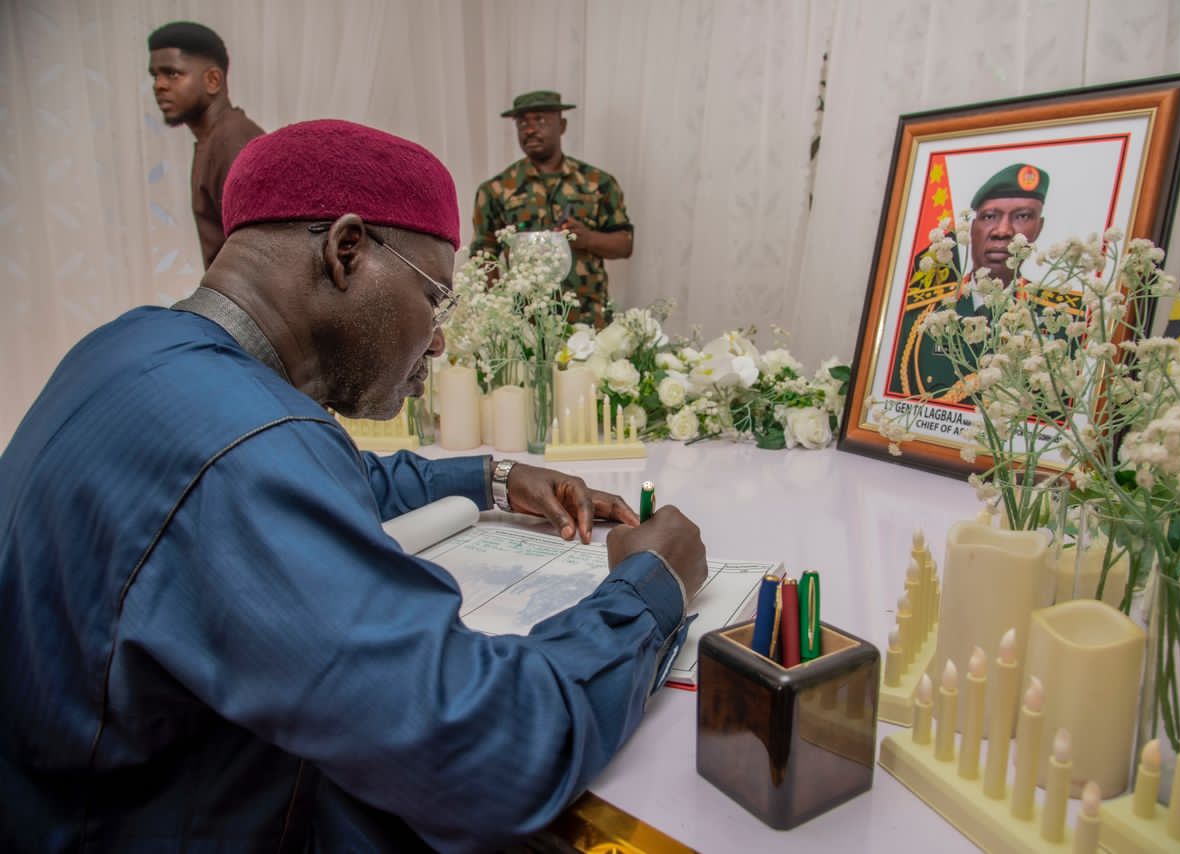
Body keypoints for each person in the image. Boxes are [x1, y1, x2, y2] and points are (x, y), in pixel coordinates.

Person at [0, 120, 707, 853]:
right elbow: (492, 746)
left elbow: (320, 473)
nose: (439, 338)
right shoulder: (249, 451)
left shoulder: (133, 348)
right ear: (346, 251)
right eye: (437, 298)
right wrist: (648, 590)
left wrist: (494, 477)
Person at [889, 162, 1075, 402]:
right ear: (972, 228)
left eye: (1022, 216)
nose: (1002, 231)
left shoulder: (1065, 320)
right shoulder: (916, 313)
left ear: (1038, 228)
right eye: (989, 216)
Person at [471, 90, 633, 328]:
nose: (530, 129)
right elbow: (483, 255)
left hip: (588, 322)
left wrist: (588, 238)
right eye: (522, 123)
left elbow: (624, 244)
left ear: (562, 125)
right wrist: (497, 312)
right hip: (526, 324)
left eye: (540, 120)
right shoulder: (495, 190)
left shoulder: (598, 183)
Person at [148, 21, 265, 269]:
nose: (159, 85)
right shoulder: (214, 139)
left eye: (172, 73)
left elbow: (260, 253)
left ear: (213, 80)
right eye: (155, 75)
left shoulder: (231, 139)